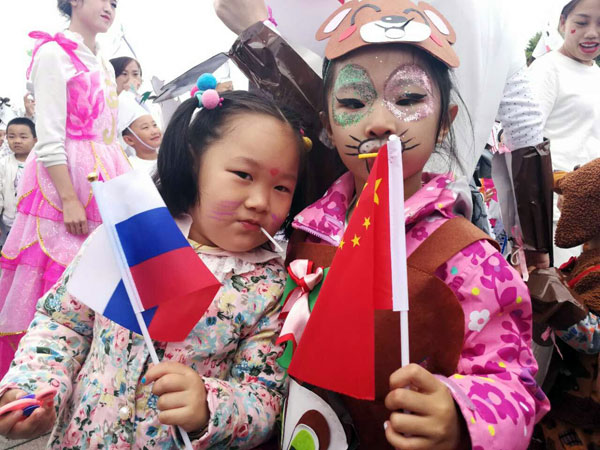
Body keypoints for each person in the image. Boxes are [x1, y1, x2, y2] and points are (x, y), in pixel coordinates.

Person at [249, 1, 547, 448]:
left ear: (445, 122)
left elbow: (516, 388)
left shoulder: (470, 258)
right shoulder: (305, 234)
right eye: (352, 102)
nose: (380, 122)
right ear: (328, 123)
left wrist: (460, 414)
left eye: (408, 99)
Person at [0, 88, 309, 448]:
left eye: (282, 187)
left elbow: (266, 395)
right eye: (243, 174)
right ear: (193, 161)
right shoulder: (131, 230)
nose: (260, 201)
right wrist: (35, 385)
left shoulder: (273, 287)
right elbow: (63, 322)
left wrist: (210, 407)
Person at [0, 0, 131, 377]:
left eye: (115, 3)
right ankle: (42, 372)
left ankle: (93, 367)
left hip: (106, 172)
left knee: (102, 274)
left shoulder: (103, 61)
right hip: (66, 181)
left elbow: (108, 132)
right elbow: (50, 137)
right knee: (58, 272)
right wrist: (69, 199)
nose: (110, 6)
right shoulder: (54, 53)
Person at [532, 158, 600, 449]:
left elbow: (593, 338)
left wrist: (553, 299)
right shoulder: (590, 254)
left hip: (583, 405)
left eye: (568, 198)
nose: (560, 206)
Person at [528, 0, 600, 267]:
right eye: (581, 22)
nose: (591, 32)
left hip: (594, 213)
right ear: (562, 24)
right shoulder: (547, 69)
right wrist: (558, 187)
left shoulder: (596, 74)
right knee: (567, 298)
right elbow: (525, 143)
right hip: (559, 214)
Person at [0, 118, 37, 246]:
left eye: (23, 137)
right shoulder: (3, 164)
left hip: (35, 223)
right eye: (11, 136)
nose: (17, 141)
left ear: (35, 139)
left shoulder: (41, 163)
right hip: (10, 222)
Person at [118, 92, 161, 174]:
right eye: (145, 127)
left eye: (154, 125)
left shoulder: (170, 157)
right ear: (129, 140)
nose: (154, 131)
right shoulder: (129, 168)